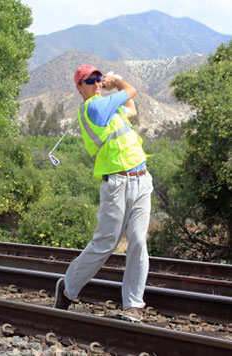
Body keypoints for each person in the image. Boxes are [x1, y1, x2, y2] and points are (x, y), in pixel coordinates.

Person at [54, 64, 153, 322]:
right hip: (116, 184)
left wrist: (115, 87)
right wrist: (118, 82)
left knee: (139, 241)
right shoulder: (94, 108)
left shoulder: (109, 107)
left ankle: (133, 305)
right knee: (105, 244)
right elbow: (132, 91)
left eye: (99, 79)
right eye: (90, 81)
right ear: (79, 88)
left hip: (141, 179)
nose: (97, 83)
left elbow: (131, 108)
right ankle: (68, 287)